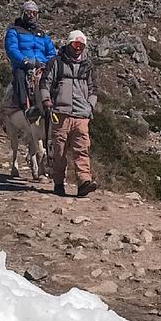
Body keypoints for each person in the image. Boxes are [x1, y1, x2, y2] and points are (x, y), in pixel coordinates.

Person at [39, 30, 98, 197]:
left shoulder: (88, 65)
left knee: (82, 150)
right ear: (69, 43)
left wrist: (90, 108)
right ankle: (58, 183)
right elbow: (45, 83)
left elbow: (94, 89)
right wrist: (46, 101)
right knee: (59, 152)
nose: (79, 48)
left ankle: (84, 182)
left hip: (81, 115)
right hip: (60, 113)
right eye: (76, 44)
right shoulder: (55, 63)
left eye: (82, 45)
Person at [4, 0, 56, 118]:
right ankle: (25, 106)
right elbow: (12, 49)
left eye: (34, 12)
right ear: (22, 13)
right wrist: (25, 61)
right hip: (24, 65)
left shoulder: (42, 34)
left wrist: (48, 64)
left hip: (42, 66)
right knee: (20, 75)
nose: (31, 15)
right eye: (28, 12)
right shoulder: (14, 31)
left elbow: (51, 52)